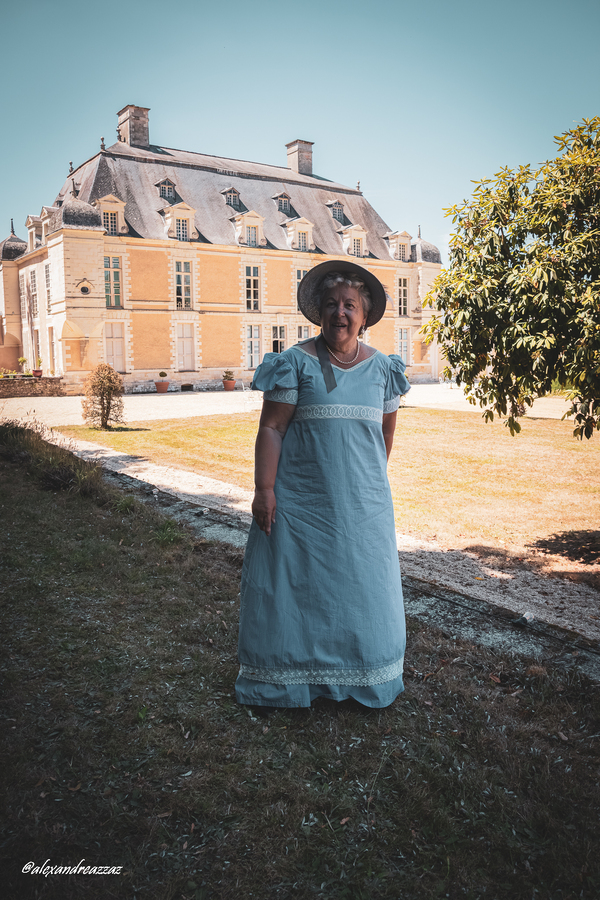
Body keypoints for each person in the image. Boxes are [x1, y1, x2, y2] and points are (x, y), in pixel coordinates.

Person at [235, 260, 410, 709]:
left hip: (364, 504)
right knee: (300, 586)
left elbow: (383, 436)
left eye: (350, 305)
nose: (340, 313)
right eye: (331, 304)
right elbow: (271, 429)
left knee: (361, 588)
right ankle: (292, 680)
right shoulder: (294, 364)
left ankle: (362, 676)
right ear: (318, 312)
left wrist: (363, 482)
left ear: (365, 315)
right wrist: (265, 490)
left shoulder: (384, 370)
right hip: (301, 503)